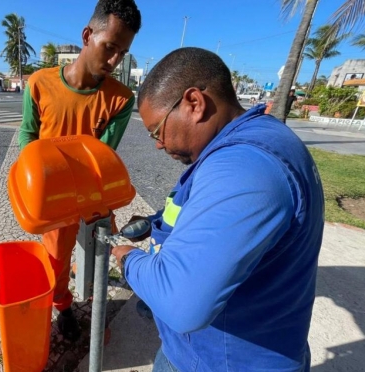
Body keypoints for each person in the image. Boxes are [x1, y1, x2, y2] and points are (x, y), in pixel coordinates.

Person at [111, 47, 324, 371]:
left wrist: (129, 260)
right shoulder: (263, 138)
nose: (158, 144)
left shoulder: (245, 169)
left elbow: (181, 302)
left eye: (157, 131)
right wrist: (156, 222)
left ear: (194, 103)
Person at [17, 0, 142, 341]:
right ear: (88, 35)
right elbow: (28, 135)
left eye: (123, 53)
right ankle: (63, 305)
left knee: (106, 248)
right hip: (55, 198)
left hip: (93, 193)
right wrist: (35, 178)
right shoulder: (40, 83)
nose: (115, 61)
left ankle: (97, 296)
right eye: (110, 48)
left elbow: (103, 154)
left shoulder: (120, 98)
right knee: (55, 258)